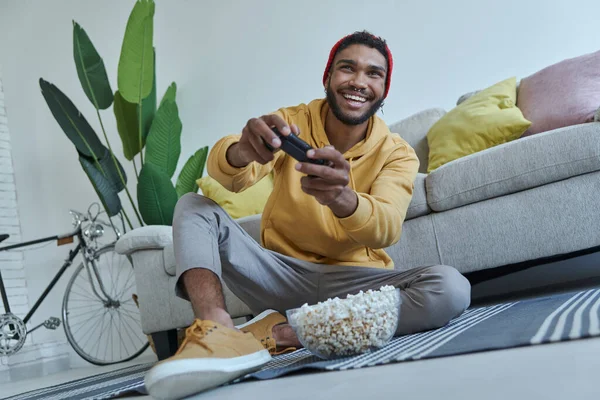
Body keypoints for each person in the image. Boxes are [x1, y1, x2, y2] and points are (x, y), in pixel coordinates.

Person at [144, 30, 471, 400]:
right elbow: (229, 178)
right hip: (279, 273)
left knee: (452, 288)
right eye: (347, 68)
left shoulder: (397, 153)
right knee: (192, 205)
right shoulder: (291, 123)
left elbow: (386, 228)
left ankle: (278, 333)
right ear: (328, 77)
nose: (358, 82)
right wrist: (241, 150)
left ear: (384, 89)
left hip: (353, 285)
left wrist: (343, 198)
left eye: (373, 74)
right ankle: (217, 331)